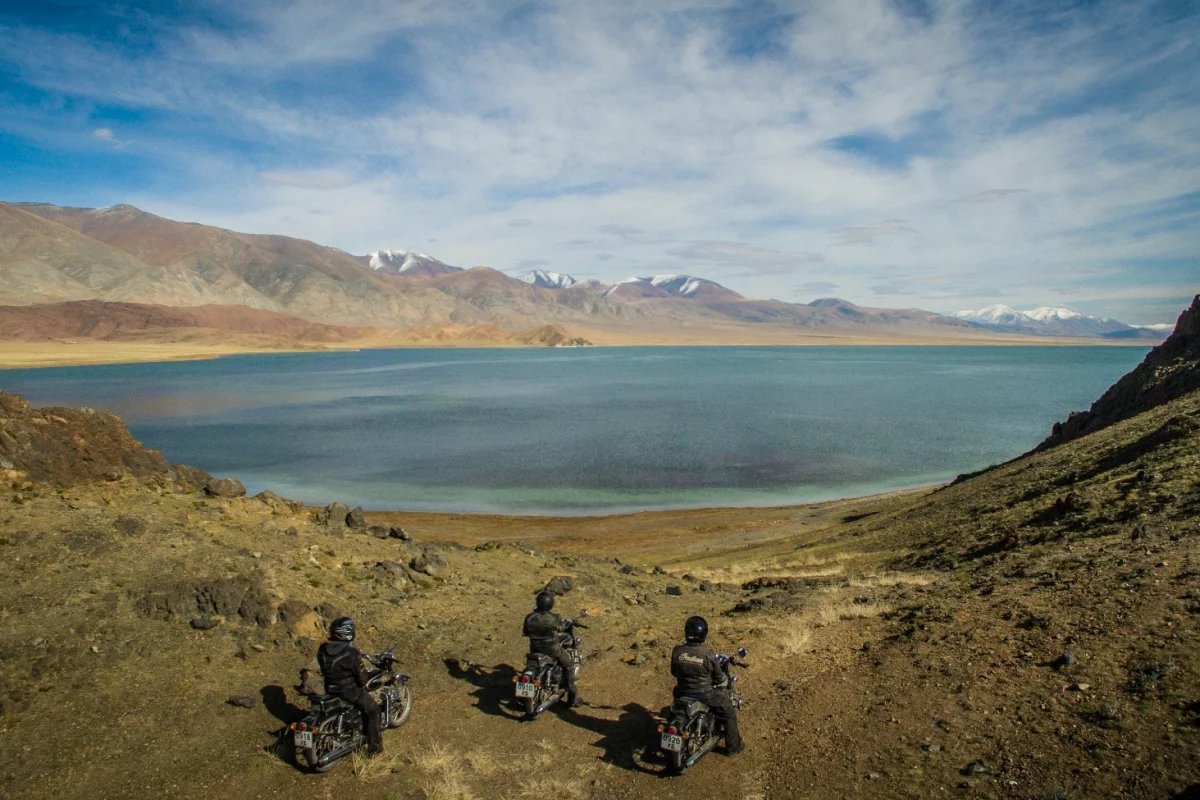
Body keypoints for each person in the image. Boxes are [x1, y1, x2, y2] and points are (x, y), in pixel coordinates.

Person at [670, 615, 743, 754]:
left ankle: (674, 723)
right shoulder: (707, 654)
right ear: (704, 633)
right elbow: (719, 677)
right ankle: (733, 748)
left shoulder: (677, 651)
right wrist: (722, 681)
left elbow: (674, 672)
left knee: (675, 706)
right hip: (704, 693)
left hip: (682, 691)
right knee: (728, 712)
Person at [316, 616, 384, 756]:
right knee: (373, 710)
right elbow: (362, 679)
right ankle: (375, 748)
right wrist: (366, 677)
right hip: (349, 690)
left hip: (329, 688)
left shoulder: (323, 649)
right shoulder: (351, 653)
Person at [522, 591, 582, 707]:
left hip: (535, 650)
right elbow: (561, 628)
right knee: (569, 667)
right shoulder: (555, 618)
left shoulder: (529, 617)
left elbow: (525, 632)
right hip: (553, 650)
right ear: (551, 604)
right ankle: (572, 699)